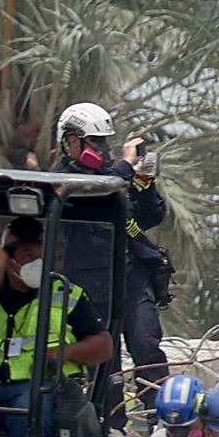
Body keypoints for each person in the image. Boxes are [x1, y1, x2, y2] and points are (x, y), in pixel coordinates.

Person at [0, 215, 115, 437]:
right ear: (8, 257)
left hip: (37, 387)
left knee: (27, 413)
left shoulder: (66, 294)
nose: (36, 261)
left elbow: (103, 346)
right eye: (28, 254)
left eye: (41, 253)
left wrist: (61, 353)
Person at [53, 102, 169, 389]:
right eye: (96, 141)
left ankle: (159, 417)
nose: (104, 148)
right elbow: (90, 195)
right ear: (72, 141)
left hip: (131, 277)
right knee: (107, 361)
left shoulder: (115, 176)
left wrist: (145, 182)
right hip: (92, 285)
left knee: (147, 345)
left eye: (105, 140)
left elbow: (149, 217)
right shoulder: (63, 180)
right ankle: (112, 426)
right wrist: (124, 169)